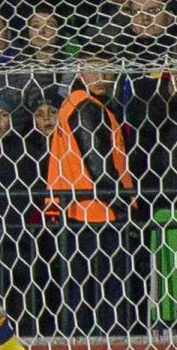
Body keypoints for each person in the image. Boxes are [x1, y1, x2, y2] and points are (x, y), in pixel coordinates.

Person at [46, 50, 135, 335]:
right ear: (81, 73)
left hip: (76, 211)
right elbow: (98, 163)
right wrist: (123, 208)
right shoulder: (86, 106)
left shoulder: (75, 104)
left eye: (108, 70)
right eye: (94, 70)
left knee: (82, 292)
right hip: (97, 212)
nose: (103, 77)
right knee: (107, 295)